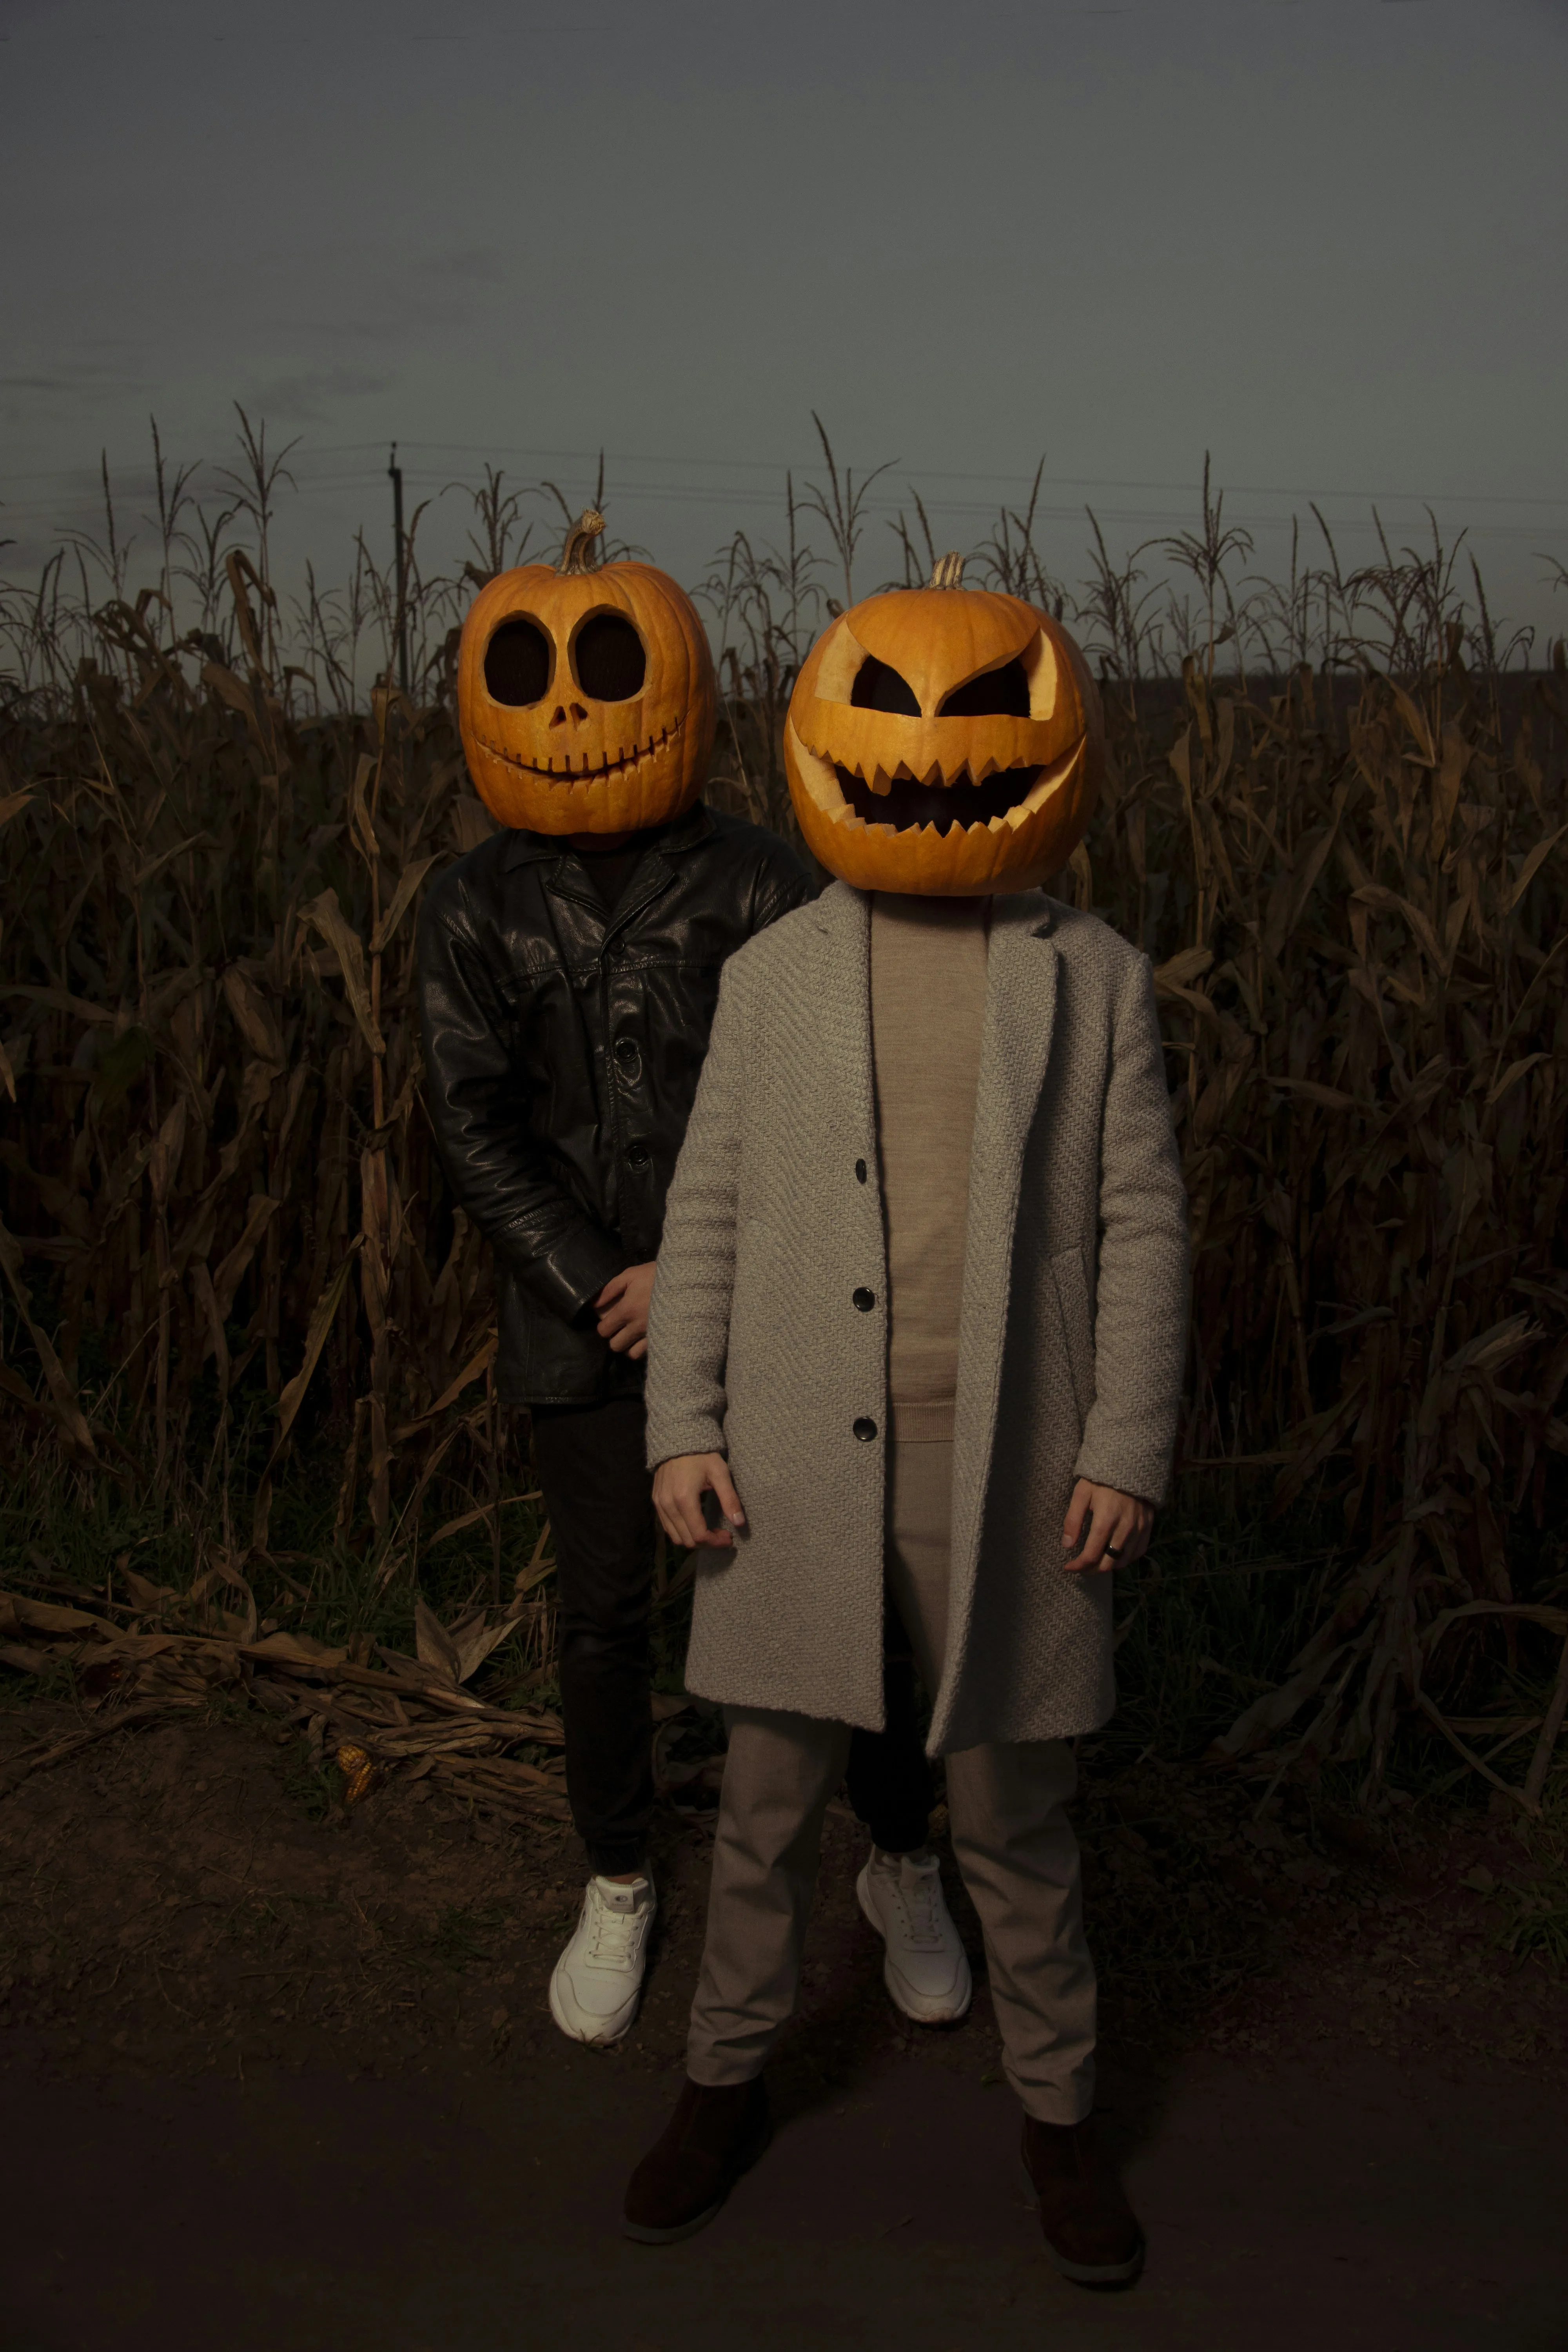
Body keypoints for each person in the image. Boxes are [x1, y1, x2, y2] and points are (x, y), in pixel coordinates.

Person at [622, 563, 1189, 2285]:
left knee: (1015, 1815)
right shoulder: (777, 973)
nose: (932, 748)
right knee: (765, 1809)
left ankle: (1061, 2114)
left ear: (1048, 740)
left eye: (978, 711)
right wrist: (681, 1422)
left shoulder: (1092, 979)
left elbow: (1147, 1225)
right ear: (822, 739)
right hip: (793, 1458)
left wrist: (1121, 1446)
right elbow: (706, 1203)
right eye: (887, 709)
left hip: (1006, 1461)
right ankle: (722, 2081)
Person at [417, 515, 964, 2053]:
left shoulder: (768, 885)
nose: (572, 712)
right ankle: (615, 1874)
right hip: (579, 1325)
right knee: (604, 1614)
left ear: (683, 687)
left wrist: (709, 1284)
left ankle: (901, 1857)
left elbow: (832, 1099)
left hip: (775, 1304)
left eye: (606, 667)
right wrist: (610, 1281)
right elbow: (476, 1125)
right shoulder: (468, 911)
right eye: (530, 671)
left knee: (846, 1593)